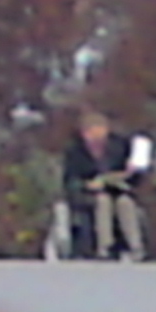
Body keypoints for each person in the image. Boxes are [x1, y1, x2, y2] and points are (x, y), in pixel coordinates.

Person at [61, 110, 142, 258]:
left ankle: (135, 246)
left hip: (116, 191)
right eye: (93, 135)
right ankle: (105, 246)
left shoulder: (118, 147)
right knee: (102, 202)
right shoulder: (75, 152)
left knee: (125, 203)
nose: (98, 139)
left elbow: (132, 175)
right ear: (85, 134)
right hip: (88, 194)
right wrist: (87, 185)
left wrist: (129, 173)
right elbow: (70, 180)